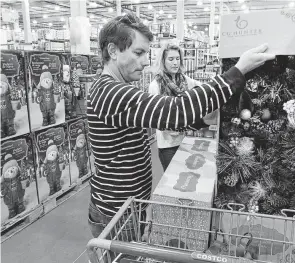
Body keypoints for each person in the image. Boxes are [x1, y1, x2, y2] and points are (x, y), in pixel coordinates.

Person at [87, 12, 275, 240]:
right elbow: (175, 112)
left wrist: (202, 119)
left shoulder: (115, 88)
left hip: (129, 207)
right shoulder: (110, 92)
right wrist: (237, 73)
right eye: (138, 53)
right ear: (113, 51)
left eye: (146, 53)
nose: (146, 62)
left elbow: (166, 115)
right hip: (115, 213)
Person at [148, 41, 217, 171]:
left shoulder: (186, 80)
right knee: (172, 179)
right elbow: (156, 119)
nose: (175, 63)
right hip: (167, 145)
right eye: (171, 59)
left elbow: (204, 89)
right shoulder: (155, 85)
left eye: (178, 58)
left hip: (187, 139)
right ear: (163, 61)